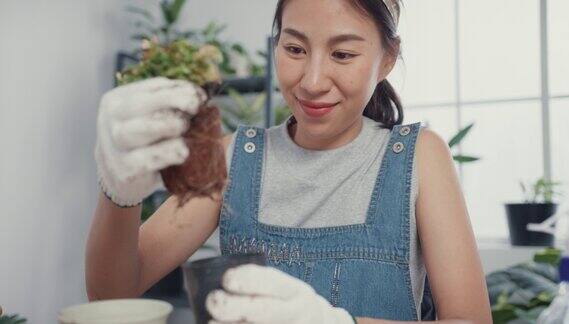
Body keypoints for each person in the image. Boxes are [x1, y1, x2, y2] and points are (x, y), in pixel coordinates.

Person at [86, 0, 492, 322]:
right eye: (295, 49)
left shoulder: (419, 156)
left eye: (344, 54)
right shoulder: (231, 160)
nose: (312, 82)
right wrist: (119, 192)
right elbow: (112, 295)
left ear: (387, 58)